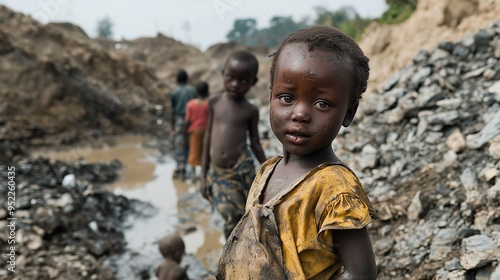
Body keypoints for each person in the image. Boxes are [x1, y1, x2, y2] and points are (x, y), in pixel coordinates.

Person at [216, 26, 378, 279]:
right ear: (270, 96)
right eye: (286, 98)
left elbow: (360, 273)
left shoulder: (334, 189)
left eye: (322, 103)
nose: (300, 113)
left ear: (348, 113)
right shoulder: (267, 171)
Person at [200, 49, 267, 239]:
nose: (235, 84)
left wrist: (268, 168)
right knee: (229, 212)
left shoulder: (250, 110)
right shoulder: (214, 102)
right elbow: (207, 136)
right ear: (223, 74)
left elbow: (255, 142)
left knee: (248, 212)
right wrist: (203, 176)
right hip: (219, 174)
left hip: (241, 171)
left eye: (244, 80)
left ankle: (242, 249)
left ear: (253, 83)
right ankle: (230, 253)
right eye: (231, 77)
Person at [170, 69, 196, 179]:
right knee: (191, 142)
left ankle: (181, 167)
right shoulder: (193, 90)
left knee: (179, 143)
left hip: (179, 119)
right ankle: (192, 168)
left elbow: (172, 111)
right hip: (192, 119)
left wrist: (172, 127)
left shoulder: (174, 92)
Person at [184, 81, 210, 180]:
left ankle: (194, 175)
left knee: (193, 152)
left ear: (197, 92)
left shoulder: (190, 104)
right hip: (207, 131)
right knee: (205, 152)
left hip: (194, 131)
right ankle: (204, 174)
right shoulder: (209, 104)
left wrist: (184, 133)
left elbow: (188, 120)